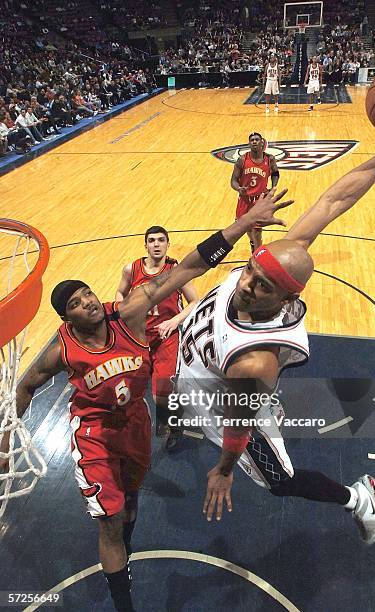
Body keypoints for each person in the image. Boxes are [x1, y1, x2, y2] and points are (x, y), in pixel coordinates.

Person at [0, 193, 292, 612]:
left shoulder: (130, 313)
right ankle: (124, 602)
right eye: (77, 304)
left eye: (88, 294)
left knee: (130, 506)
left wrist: (243, 224)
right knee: (111, 523)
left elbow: (190, 266)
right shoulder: (62, 351)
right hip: (94, 434)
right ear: (68, 319)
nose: (89, 302)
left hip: (135, 424)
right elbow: (25, 387)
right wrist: (6, 439)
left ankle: (122, 549)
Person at [174, 136, 375, 543]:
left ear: (286, 296)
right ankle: (266, 400)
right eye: (247, 271)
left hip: (225, 401)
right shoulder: (279, 260)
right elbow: (334, 200)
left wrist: (224, 469)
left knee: (279, 480)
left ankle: (357, 498)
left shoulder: (255, 359)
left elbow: (236, 425)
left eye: (261, 286)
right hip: (206, 373)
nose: (245, 285)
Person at [115, 226, 199, 451]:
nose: (156, 244)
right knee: (128, 388)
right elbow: (120, 294)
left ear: (168, 244)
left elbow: (195, 302)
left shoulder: (176, 270)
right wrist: (123, 312)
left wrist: (174, 322)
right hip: (138, 337)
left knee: (161, 394)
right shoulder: (130, 269)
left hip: (165, 337)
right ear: (146, 245)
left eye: (161, 240)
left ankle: (175, 424)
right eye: (152, 240)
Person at [231, 132, 280, 253]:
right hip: (245, 199)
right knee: (246, 227)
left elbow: (275, 173)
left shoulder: (269, 159)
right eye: (252, 140)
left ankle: (257, 255)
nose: (254, 141)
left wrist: (273, 187)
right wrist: (238, 188)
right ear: (249, 143)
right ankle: (253, 242)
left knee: (257, 231)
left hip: (260, 199)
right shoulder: (242, 160)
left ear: (262, 142)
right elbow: (233, 180)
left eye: (257, 139)